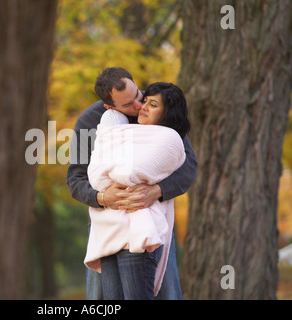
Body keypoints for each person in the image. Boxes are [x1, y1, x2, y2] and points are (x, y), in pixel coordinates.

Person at [66, 67, 198, 299]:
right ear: (110, 107)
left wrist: (156, 191)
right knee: (100, 297)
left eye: (138, 94)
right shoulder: (89, 122)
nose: (139, 106)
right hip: (106, 222)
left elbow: (188, 166)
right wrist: (103, 197)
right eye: (128, 105)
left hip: (152, 223)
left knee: (167, 292)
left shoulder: (159, 106)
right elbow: (75, 179)